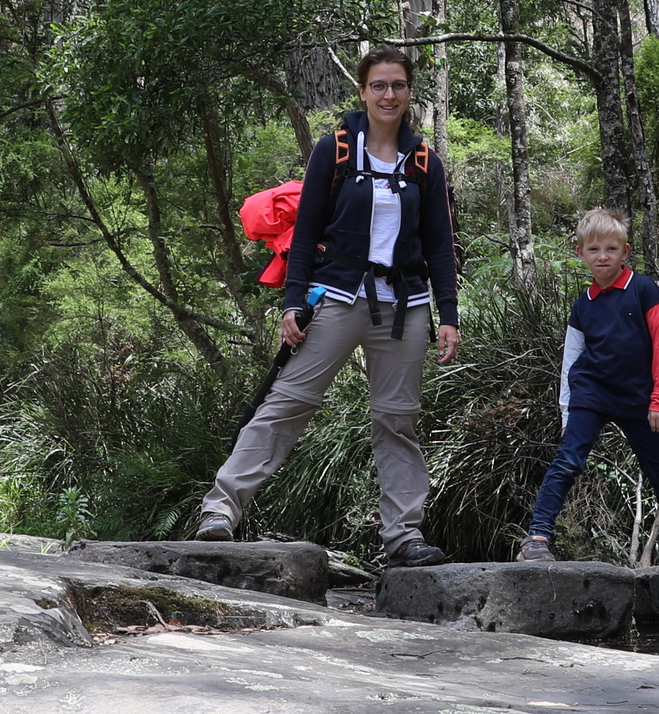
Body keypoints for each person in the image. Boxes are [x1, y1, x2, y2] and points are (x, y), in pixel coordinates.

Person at [195, 47, 461, 564]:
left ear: (409, 92)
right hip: (338, 296)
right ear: (363, 91)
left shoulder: (424, 161)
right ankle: (220, 510)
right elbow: (308, 229)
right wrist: (293, 301)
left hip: (405, 306)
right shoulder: (334, 149)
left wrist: (447, 314)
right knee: (288, 401)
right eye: (379, 85)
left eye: (398, 85)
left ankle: (403, 537)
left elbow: (439, 244)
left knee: (397, 420)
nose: (389, 95)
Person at [520, 208, 659, 566]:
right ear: (580, 253)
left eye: (611, 249)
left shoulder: (643, 290)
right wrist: (567, 412)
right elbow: (571, 360)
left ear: (625, 251)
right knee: (568, 461)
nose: (603, 257)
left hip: (638, 398)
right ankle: (537, 538)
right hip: (591, 393)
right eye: (594, 249)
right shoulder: (583, 305)